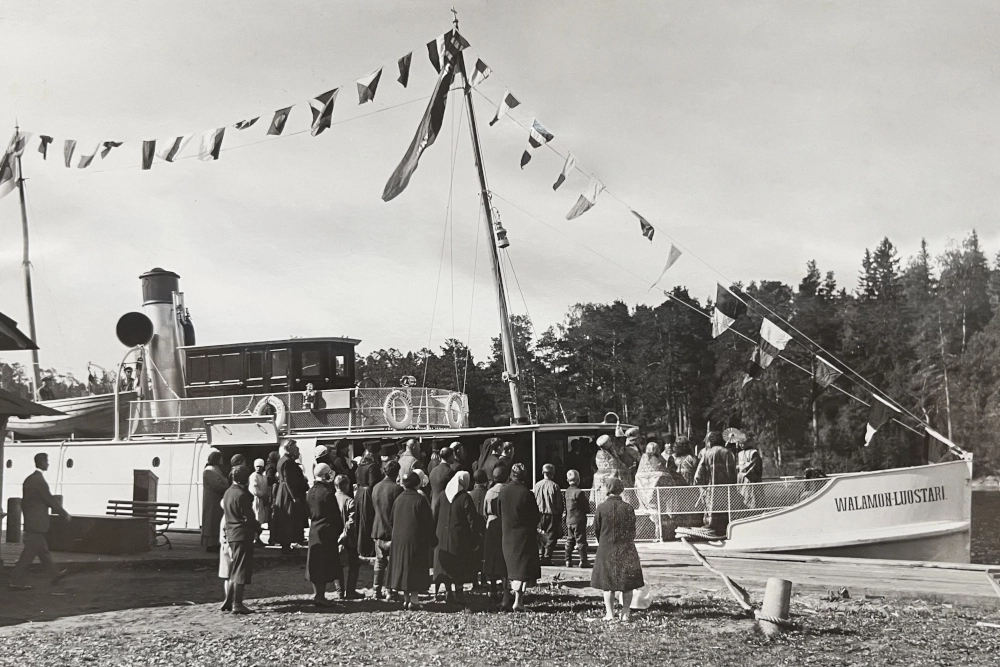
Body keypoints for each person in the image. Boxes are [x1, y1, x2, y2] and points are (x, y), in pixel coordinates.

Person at [8, 453, 72, 590]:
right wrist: (64, 514)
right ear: (41, 462)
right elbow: (49, 499)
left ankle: (55, 574)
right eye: (47, 461)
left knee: (43, 551)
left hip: (33, 522)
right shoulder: (38, 480)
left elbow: (26, 503)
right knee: (28, 555)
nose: (48, 464)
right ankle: (16, 580)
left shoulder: (29, 480)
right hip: (37, 524)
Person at [591, 476, 645, 622]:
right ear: (620, 490)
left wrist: (602, 541)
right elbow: (633, 530)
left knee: (607, 584)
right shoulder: (628, 508)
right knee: (627, 583)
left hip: (606, 547)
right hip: (625, 548)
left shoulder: (601, 508)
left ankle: (610, 614)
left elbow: (596, 529)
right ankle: (625, 612)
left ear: (607, 489)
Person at [432, 471, 484, 604]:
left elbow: (435, 515)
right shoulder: (465, 498)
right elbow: (471, 520)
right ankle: (459, 592)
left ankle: (448, 591)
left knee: (447, 564)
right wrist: (475, 537)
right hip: (459, 538)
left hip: (442, 536)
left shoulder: (443, 495)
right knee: (459, 565)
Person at [387, 472, 437, 610]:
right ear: (417, 483)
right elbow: (428, 522)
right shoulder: (420, 500)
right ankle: (414, 600)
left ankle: (406, 598)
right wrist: (433, 540)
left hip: (399, 540)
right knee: (415, 568)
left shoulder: (398, 499)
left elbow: (391, 520)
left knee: (403, 568)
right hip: (416, 540)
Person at [499, 463, 541, 612]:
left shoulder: (503, 492)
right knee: (521, 569)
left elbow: (499, 512)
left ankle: (505, 599)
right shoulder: (526, 493)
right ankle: (518, 601)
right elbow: (535, 516)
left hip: (506, 533)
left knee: (507, 567)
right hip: (523, 535)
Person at [220, 464, 260, 614]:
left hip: (231, 534)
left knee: (234, 568)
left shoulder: (228, 492)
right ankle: (237, 603)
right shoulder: (242, 495)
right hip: (242, 534)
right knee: (241, 570)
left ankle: (228, 600)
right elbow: (248, 517)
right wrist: (258, 527)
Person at [304, 463, 343, 606]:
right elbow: (335, 515)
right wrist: (338, 529)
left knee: (315, 563)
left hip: (314, 528)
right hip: (326, 530)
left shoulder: (310, 491)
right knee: (324, 565)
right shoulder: (328, 493)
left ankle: (317, 594)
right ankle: (320, 596)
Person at [693, 431, 738, 536]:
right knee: (725, 511)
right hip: (725, 489)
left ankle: (712, 532)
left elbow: (698, 475)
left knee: (711, 512)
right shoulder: (727, 452)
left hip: (710, 489)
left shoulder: (706, 453)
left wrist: (702, 486)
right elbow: (732, 473)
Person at [371, 460, 403, 600]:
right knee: (392, 563)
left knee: (379, 561)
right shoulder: (397, 489)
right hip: (391, 530)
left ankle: (376, 590)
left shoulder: (376, 487)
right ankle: (390, 591)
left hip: (378, 528)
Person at [273, 440, 309, 554]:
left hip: (284, 492)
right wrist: (294, 496)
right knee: (288, 519)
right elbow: (289, 480)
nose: (297, 450)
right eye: (295, 448)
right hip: (287, 494)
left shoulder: (283, 460)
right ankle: (286, 545)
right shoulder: (288, 462)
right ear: (291, 449)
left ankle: (288, 544)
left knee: (287, 519)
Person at [481, 464, 509, 601]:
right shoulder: (507, 491)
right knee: (504, 557)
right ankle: (505, 588)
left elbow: (485, 511)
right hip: (504, 524)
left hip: (491, 525)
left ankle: (492, 588)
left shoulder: (489, 492)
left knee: (491, 557)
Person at [334, 474, 361, 600]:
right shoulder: (349, 501)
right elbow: (351, 520)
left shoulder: (331, 499)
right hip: (348, 538)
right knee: (354, 564)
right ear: (346, 486)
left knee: (338, 565)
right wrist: (345, 533)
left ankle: (339, 591)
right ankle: (350, 591)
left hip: (334, 537)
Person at [354, 442, 383, 559]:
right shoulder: (373, 466)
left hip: (360, 493)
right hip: (368, 494)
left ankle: (360, 547)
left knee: (360, 521)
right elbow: (373, 483)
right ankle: (367, 549)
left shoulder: (361, 465)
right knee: (367, 521)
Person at [532, 463, 564, 566]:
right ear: (553, 474)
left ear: (543, 472)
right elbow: (559, 504)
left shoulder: (537, 485)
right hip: (552, 514)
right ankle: (547, 557)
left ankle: (540, 555)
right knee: (551, 537)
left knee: (539, 536)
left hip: (539, 514)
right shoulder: (555, 486)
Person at [592, 434, 632, 506]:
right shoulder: (610, 456)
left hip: (600, 480)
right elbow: (617, 466)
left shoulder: (598, 454)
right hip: (611, 481)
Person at [202, 449, 228, 552]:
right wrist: (227, 487)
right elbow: (217, 485)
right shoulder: (210, 470)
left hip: (216, 499)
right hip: (212, 500)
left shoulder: (215, 469)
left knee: (215, 520)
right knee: (211, 520)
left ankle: (215, 542)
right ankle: (210, 544)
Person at [564, 469, 590, 568]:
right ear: (578, 480)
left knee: (570, 540)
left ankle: (568, 560)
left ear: (568, 480)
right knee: (581, 540)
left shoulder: (567, 492)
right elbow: (585, 507)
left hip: (569, 519)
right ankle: (583, 561)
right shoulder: (579, 492)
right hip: (578, 520)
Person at [249, 459, 270, 546]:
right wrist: (262, 495)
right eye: (257, 466)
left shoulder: (264, 477)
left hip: (263, 500)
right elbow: (255, 489)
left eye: (260, 467)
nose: (258, 468)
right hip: (256, 500)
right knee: (256, 518)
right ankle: (255, 538)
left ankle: (258, 538)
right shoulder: (253, 476)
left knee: (261, 519)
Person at [264, 451, 279, 544]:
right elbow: (270, 479)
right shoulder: (271, 467)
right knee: (273, 517)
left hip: (273, 492)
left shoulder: (271, 465)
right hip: (273, 493)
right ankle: (273, 538)